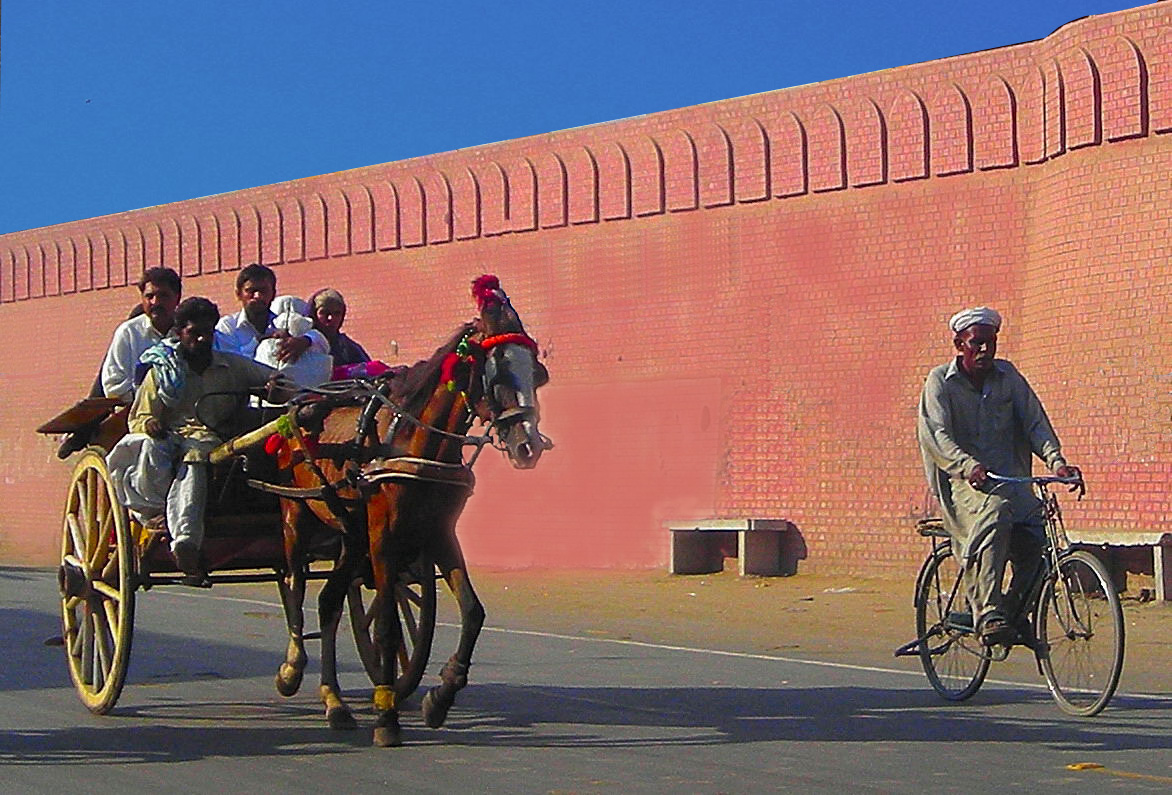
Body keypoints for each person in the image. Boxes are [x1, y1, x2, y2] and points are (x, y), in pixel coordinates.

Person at [917, 307, 1081, 646]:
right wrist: (967, 466)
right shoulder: (939, 383)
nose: (984, 350)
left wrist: (1057, 463)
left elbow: (1035, 423)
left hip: (1010, 480)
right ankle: (988, 611)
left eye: (990, 343)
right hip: (963, 485)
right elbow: (937, 436)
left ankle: (1014, 608)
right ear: (958, 343)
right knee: (995, 512)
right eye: (976, 343)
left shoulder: (1009, 378)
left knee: (1041, 532)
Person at [107, 297, 288, 583]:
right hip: (168, 441)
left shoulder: (233, 366)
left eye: (208, 332)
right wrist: (152, 424)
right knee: (162, 450)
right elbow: (138, 419)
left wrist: (276, 387)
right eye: (194, 332)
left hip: (212, 443)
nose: (202, 338)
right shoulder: (162, 372)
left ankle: (185, 543)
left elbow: (279, 382)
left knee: (196, 456)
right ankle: (179, 535)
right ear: (180, 333)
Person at [56, 267, 183, 458]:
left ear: (177, 298)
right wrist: (147, 401)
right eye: (150, 296)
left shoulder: (186, 332)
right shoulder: (129, 333)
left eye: (163, 296)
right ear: (142, 299)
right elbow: (113, 384)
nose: (156, 302)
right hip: (134, 412)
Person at [215, 263, 328, 362]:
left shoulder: (283, 322)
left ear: (273, 294)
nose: (257, 296)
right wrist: (260, 341)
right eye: (251, 291)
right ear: (238, 294)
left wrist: (304, 341)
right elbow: (232, 362)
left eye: (263, 291)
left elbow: (322, 343)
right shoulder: (228, 327)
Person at [307, 287, 370, 366]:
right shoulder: (302, 344)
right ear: (314, 314)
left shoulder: (348, 348)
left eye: (337, 313)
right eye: (324, 312)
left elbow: (369, 370)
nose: (330, 318)